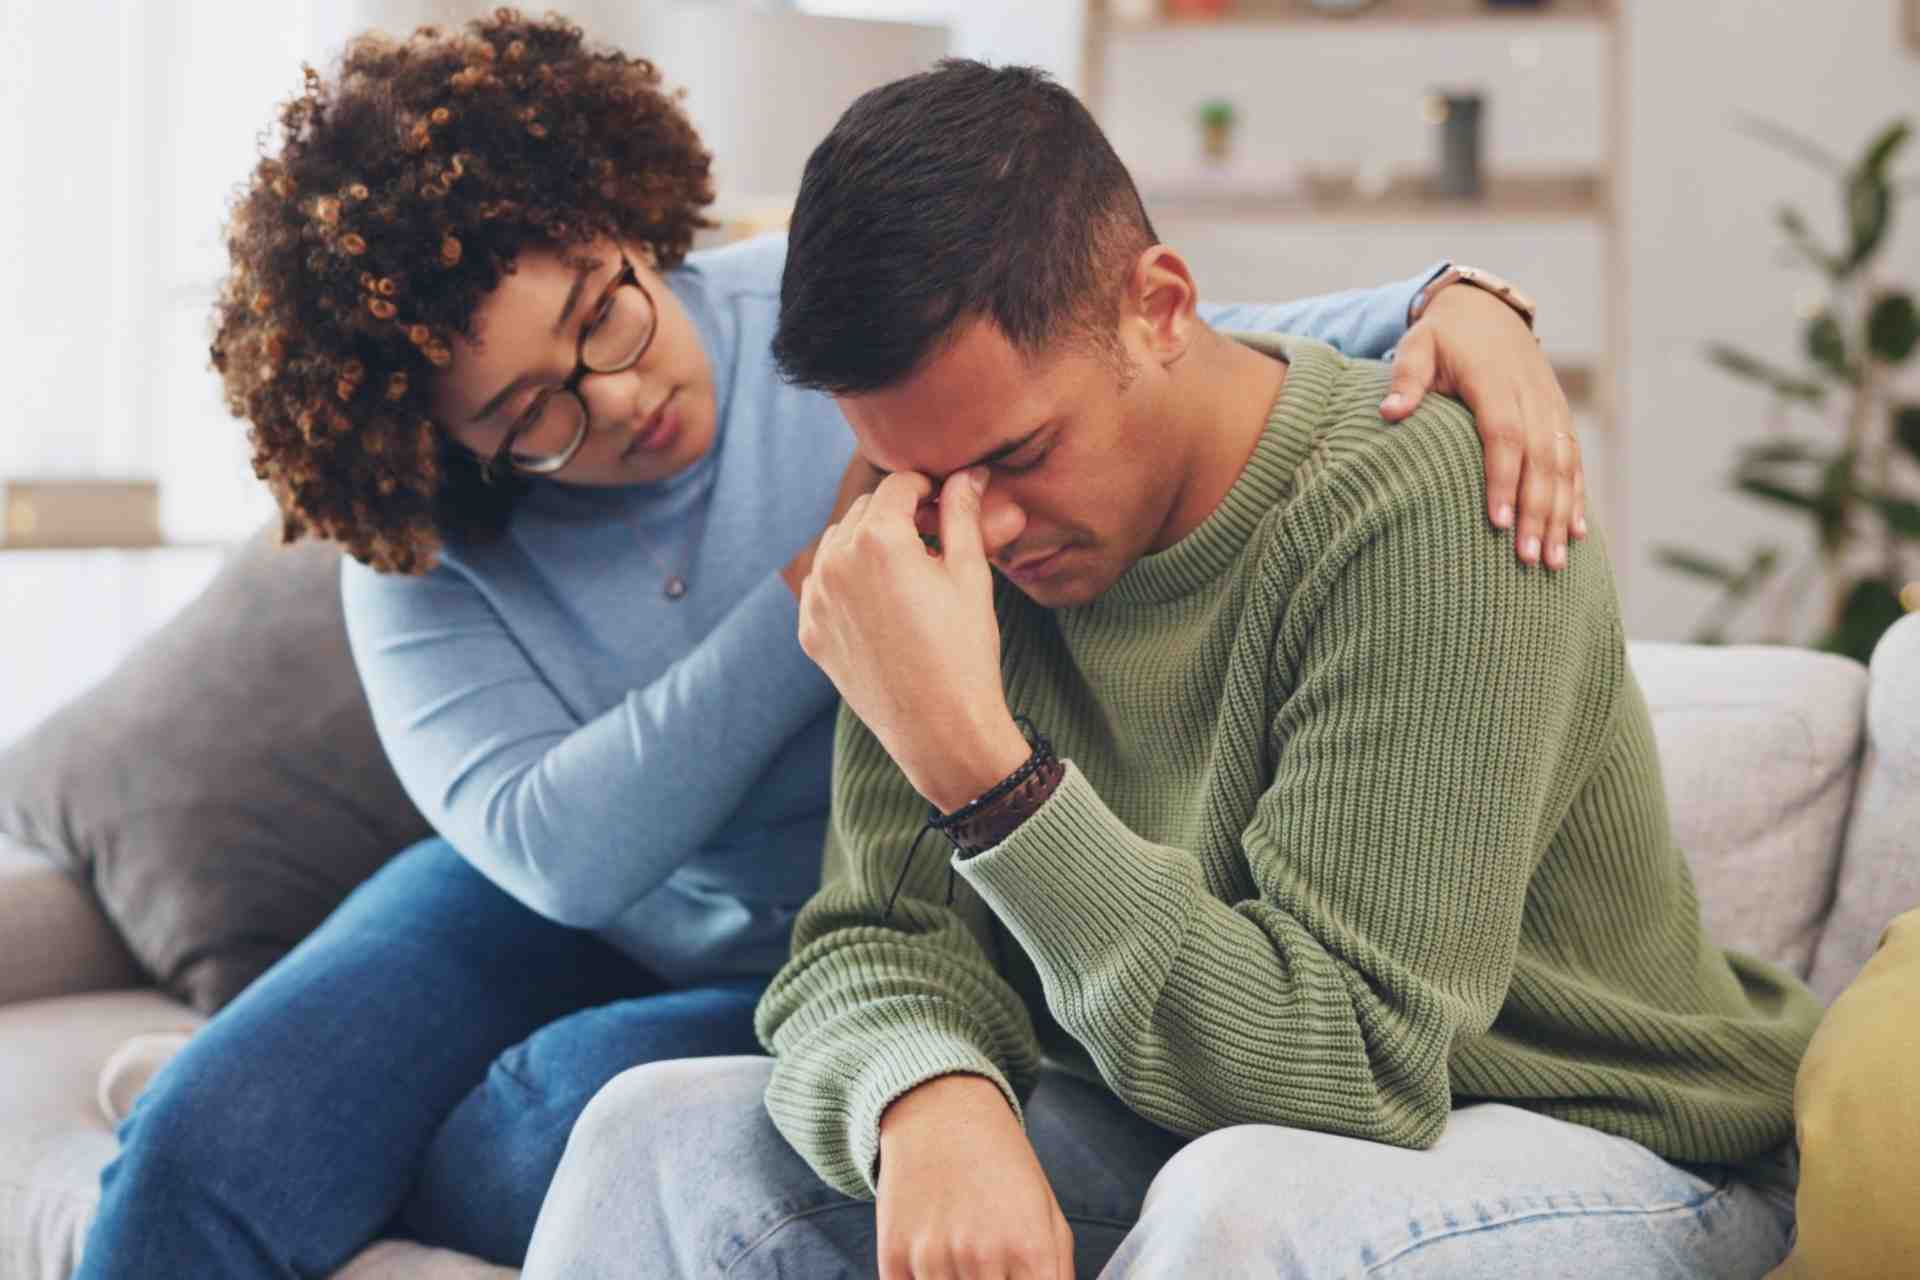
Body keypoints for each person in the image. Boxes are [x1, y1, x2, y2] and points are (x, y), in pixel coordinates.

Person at [74, 15, 1584, 1278]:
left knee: (538, 1120)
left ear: (625, 216)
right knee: (210, 1143)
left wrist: (1452, 300)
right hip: (571, 901)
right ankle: (273, 1137)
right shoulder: (425, 551)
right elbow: (560, 857)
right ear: (443, 454)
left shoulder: (817, 332)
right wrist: (824, 599)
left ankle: (372, 1160)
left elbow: (1125, 342)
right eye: (527, 412)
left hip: (818, 906)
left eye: (603, 312)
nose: (611, 397)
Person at [520, 60, 1821, 1280]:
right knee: (653, 1134)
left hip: (1607, 1140)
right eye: (921, 475)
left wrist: (990, 780)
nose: (982, 527)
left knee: (1237, 1215)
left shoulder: (1419, 508)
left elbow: (1347, 1069)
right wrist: (926, 1090)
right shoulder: (934, 528)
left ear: (1159, 309)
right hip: (1178, 1119)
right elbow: (870, 946)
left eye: (1019, 456)